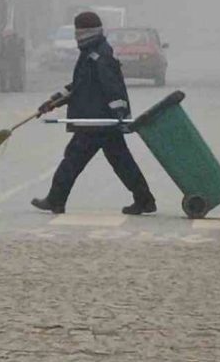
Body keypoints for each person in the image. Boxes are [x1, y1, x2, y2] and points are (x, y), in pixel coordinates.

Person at [32, 11, 156, 215]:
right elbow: (81, 86)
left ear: (85, 32)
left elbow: (113, 87)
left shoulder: (99, 55)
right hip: (100, 121)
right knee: (122, 162)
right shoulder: (93, 52)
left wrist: (119, 114)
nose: (75, 36)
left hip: (96, 121)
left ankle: (56, 199)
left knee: (73, 159)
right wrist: (54, 101)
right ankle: (144, 200)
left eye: (77, 31)